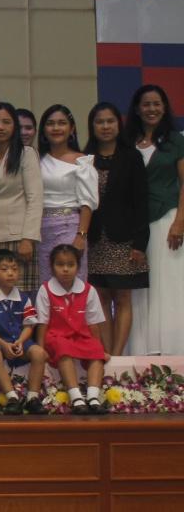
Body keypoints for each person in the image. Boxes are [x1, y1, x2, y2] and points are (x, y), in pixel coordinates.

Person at [84, 102, 149, 357]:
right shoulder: (85, 158)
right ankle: (107, 354)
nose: (105, 126)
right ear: (92, 126)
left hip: (125, 240)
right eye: (99, 122)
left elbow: (141, 203)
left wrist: (140, 244)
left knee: (122, 298)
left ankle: (119, 356)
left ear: (118, 124)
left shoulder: (131, 157)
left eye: (110, 121)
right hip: (94, 240)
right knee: (100, 299)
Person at [126, 84, 184, 356]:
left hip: (167, 221)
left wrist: (179, 222)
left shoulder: (176, 141)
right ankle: (141, 349)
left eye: (156, 104)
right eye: (146, 104)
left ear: (164, 107)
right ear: (137, 109)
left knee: (168, 284)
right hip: (135, 225)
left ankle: (173, 349)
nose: (151, 109)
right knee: (139, 288)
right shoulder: (128, 141)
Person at [36, 244, 109, 414]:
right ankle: (76, 398)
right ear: (52, 267)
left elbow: (93, 324)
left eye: (70, 264)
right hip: (56, 337)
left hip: (81, 336)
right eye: (60, 264)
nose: (65, 269)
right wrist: (40, 348)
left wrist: (100, 347)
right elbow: (42, 323)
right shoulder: (45, 290)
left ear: (78, 266)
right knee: (64, 349)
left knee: (97, 351)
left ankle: (93, 398)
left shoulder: (89, 290)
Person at [0, 102, 42, 294]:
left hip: (18, 238)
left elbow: (35, 198)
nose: (0, 127)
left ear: (14, 126)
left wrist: (28, 239)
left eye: (6, 122)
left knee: (21, 297)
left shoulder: (26, 154)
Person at [0, 249, 46, 416]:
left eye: (14, 269)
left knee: (39, 353)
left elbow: (29, 325)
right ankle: (12, 398)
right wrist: (3, 344)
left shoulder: (24, 298)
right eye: (4, 269)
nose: (10, 273)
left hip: (19, 341)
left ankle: (32, 398)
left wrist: (21, 341)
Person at [38, 104, 98, 285]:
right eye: (50, 123)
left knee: (71, 283)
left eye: (62, 123)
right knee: (46, 286)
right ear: (44, 130)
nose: (56, 128)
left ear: (71, 129)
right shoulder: (36, 160)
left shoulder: (82, 161)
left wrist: (81, 235)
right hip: (40, 231)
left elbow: (87, 202)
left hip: (69, 227)